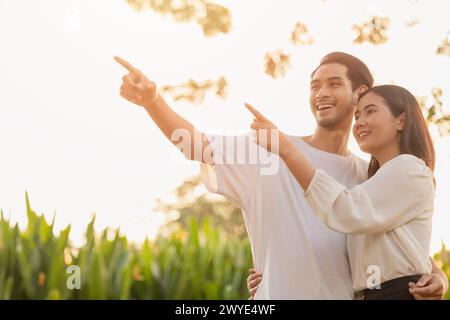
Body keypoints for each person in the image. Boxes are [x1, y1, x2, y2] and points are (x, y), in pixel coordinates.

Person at [114, 52, 447, 299]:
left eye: (334, 83)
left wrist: (434, 273)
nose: (321, 93)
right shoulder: (267, 150)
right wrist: (152, 101)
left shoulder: (368, 175)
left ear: (360, 94)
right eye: (315, 85)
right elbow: (195, 145)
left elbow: (391, 241)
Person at [244, 84, 441, 299]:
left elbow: (345, 209)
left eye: (371, 111)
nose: (360, 122)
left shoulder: (410, 168)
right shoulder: (374, 181)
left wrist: (288, 150)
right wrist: (274, 275)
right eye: (357, 116)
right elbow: (401, 244)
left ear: (401, 120)